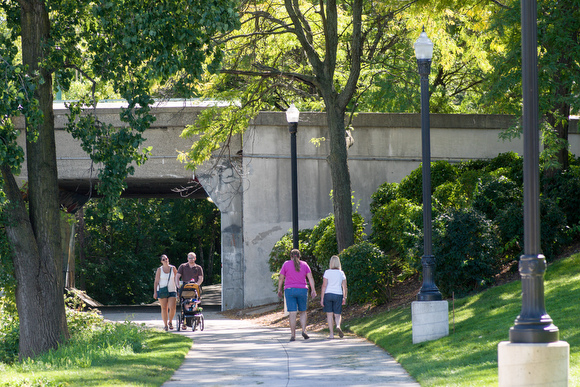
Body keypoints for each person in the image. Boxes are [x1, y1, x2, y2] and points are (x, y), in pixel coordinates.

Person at [277, 249, 317, 341]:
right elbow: (310, 277)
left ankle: (293, 335)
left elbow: (281, 278)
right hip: (302, 290)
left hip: (289, 290)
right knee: (303, 311)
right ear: (299, 256)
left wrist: (279, 290)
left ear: (291, 256)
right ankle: (304, 330)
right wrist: (313, 290)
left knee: (292, 313)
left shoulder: (286, 264)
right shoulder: (304, 264)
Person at [320, 255, 347, 339]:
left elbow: (324, 286)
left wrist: (322, 298)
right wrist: (344, 297)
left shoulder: (327, 272)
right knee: (337, 314)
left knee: (329, 315)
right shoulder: (341, 273)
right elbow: (344, 286)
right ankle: (338, 325)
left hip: (328, 294)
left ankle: (331, 334)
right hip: (338, 294)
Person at [176, 252, 204, 329]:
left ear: (195, 258)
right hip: (185, 288)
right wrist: (178, 285)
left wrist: (196, 285)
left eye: (193, 258)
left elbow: (200, 278)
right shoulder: (183, 266)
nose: (191, 259)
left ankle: (196, 320)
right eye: (190, 258)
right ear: (187, 258)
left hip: (194, 288)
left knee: (195, 302)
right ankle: (184, 322)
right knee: (183, 303)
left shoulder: (198, 268)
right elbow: (177, 276)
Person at [153, 254, 178, 331]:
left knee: (172, 307)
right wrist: (155, 292)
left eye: (166, 258)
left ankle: (170, 321)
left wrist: (179, 289)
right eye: (163, 259)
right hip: (162, 290)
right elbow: (156, 281)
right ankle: (165, 325)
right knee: (164, 308)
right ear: (161, 261)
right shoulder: (159, 270)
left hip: (172, 290)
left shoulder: (173, 268)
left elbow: (176, 279)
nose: (165, 260)